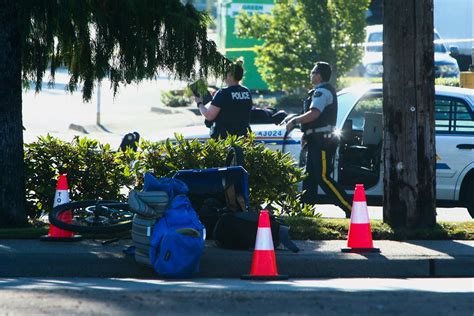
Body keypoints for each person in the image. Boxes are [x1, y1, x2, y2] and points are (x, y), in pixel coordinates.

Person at [286, 62, 352, 218]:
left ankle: (350, 207)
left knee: (322, 177)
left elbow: (314, 114)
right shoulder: (318, 91)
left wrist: (295, 121)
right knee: (309, 177)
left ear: (319, 75)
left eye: (313, 72)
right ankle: (305, 212)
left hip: (322, 141)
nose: (311, 74)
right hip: (316, 139)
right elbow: (315, 121)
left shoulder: (322, 92)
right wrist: (306, 134)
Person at [194, 61, 252, 139]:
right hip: (244, 136)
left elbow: (209, 116)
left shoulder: (223, 93)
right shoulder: (246, 91)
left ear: (230, 75)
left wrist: (199, 103)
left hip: (226, 139)